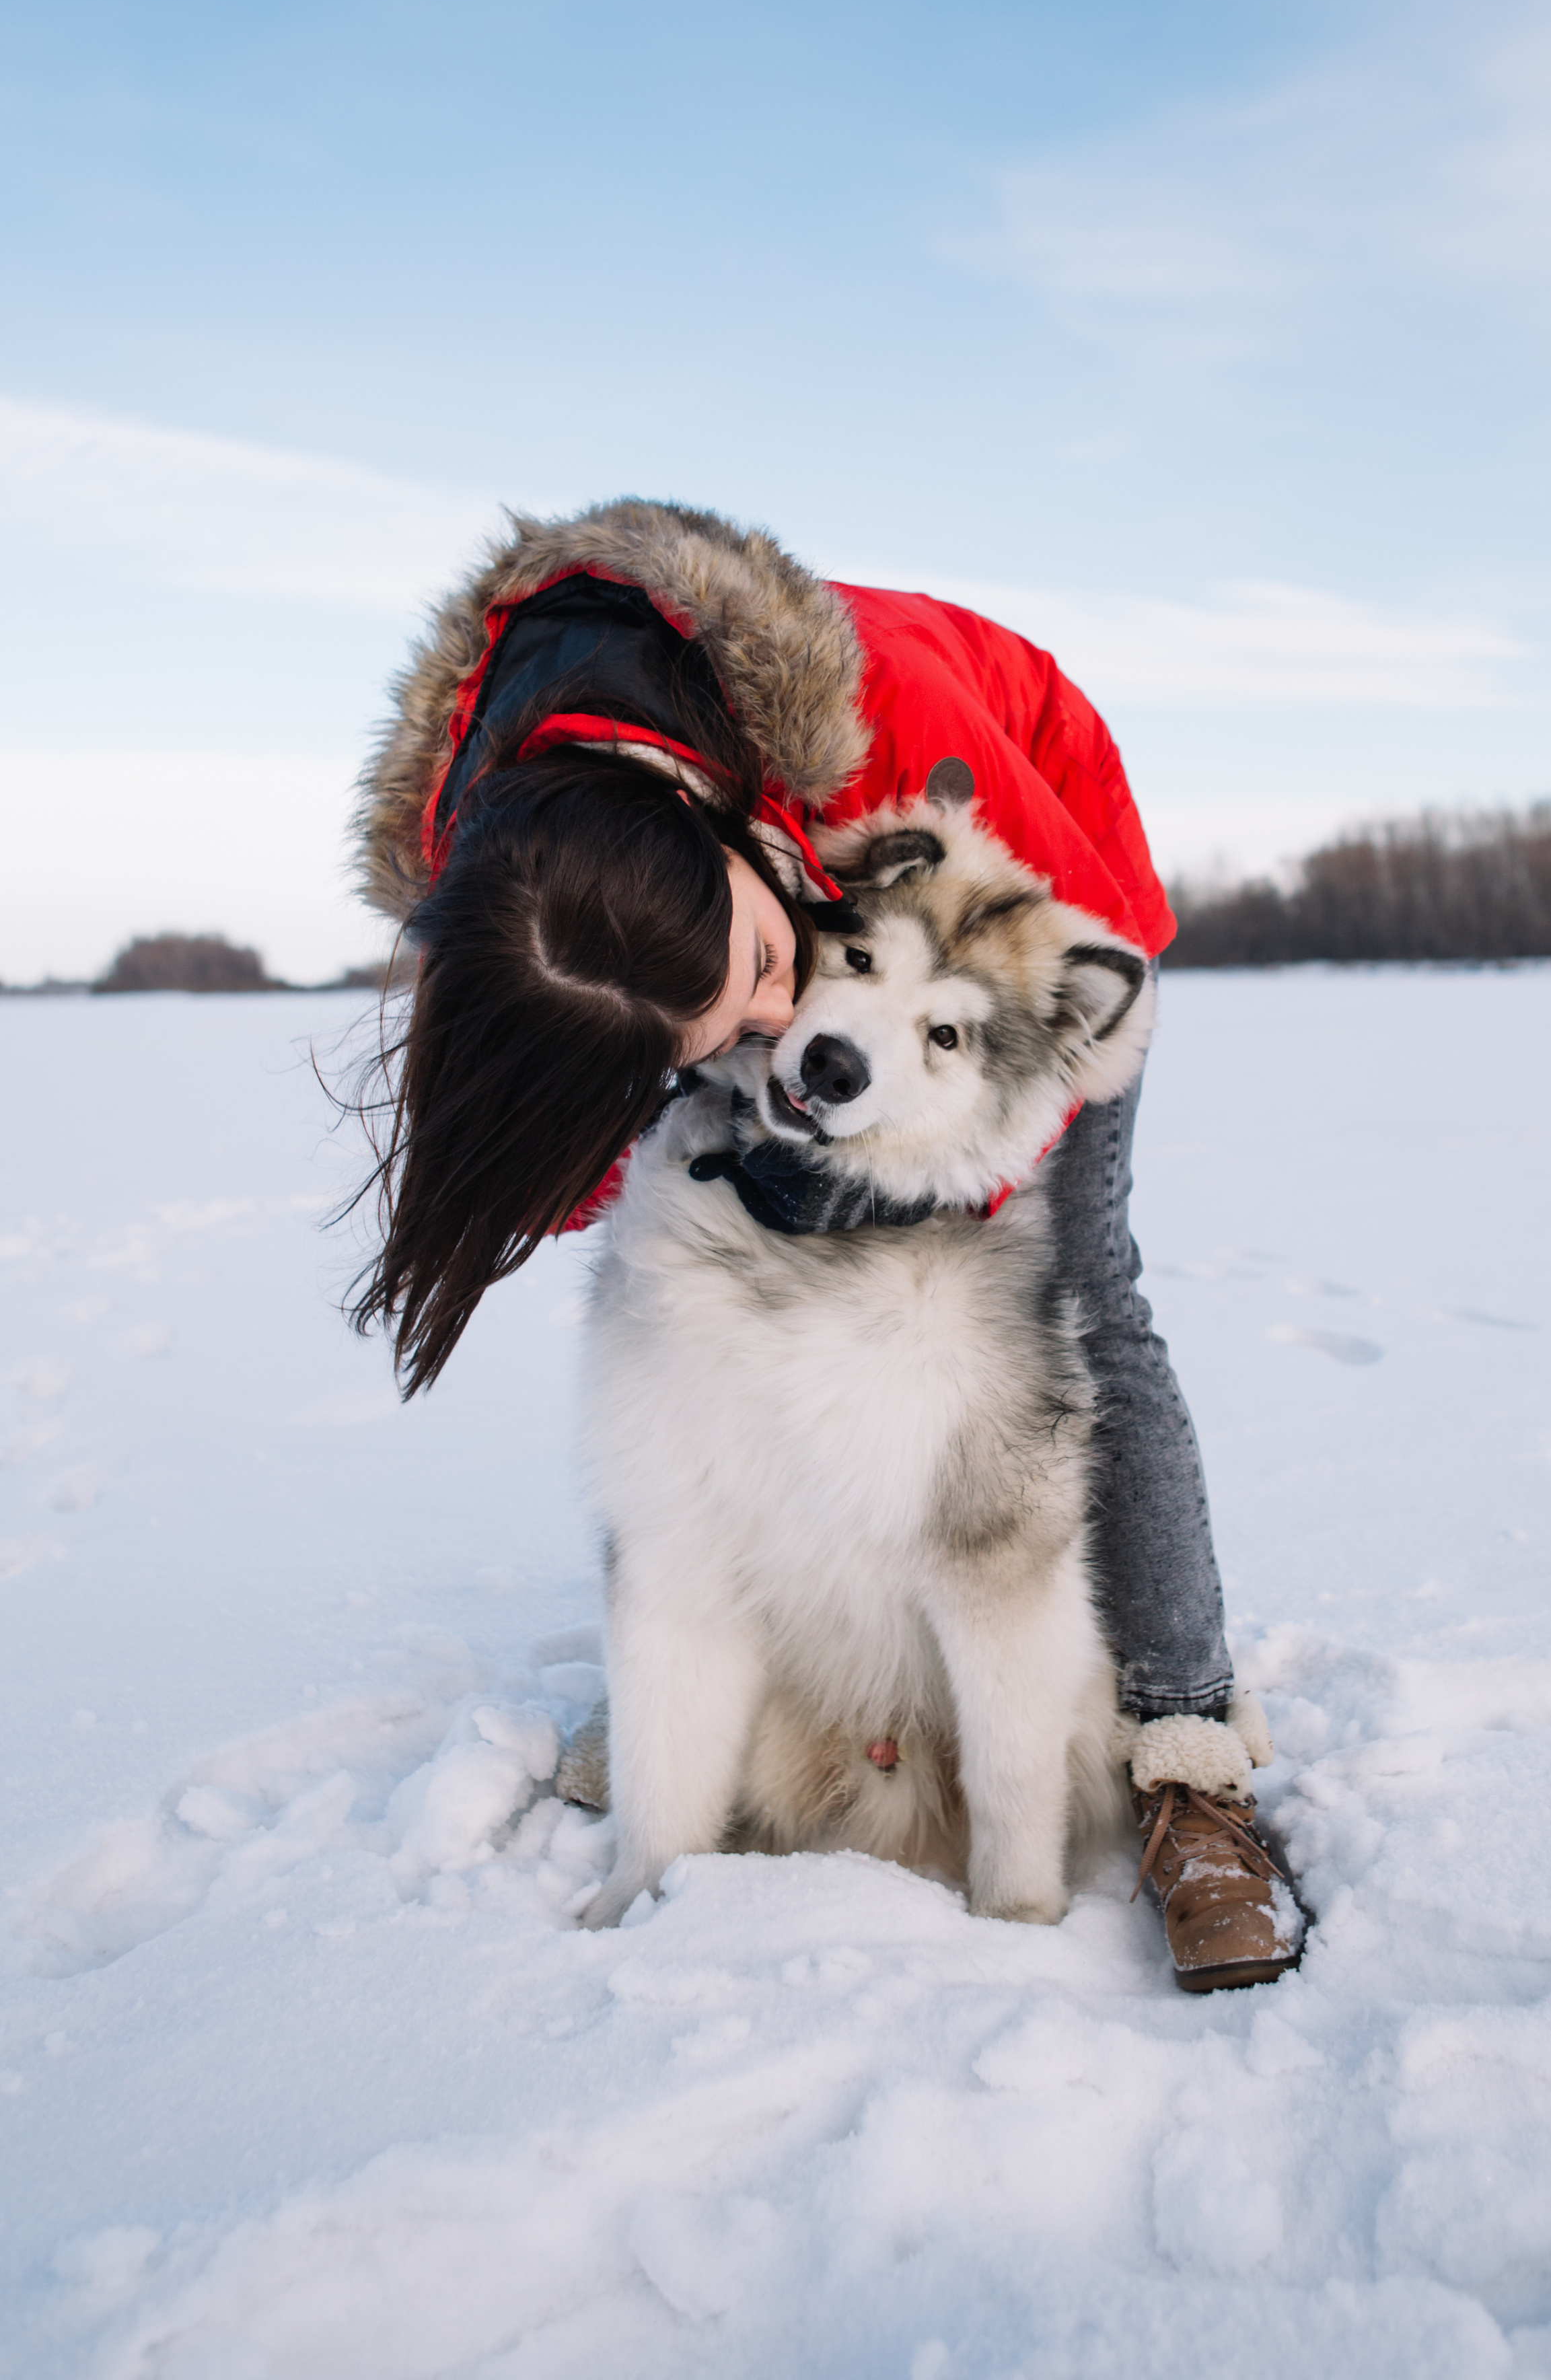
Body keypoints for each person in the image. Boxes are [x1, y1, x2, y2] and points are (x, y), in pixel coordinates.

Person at [351, 496, 1301, 1991]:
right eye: (713, 1028)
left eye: (757, 968)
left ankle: (1188, 1756)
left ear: (720, 847)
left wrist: (912, 1164)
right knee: (720, 1226)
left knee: (1075, 1300)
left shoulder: (871, 731)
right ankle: (739, 1675)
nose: (772, 1022)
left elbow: (1023, 1024)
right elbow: (588, 1147)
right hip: (749, 909)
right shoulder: (516, 909)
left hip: (1041, 915)